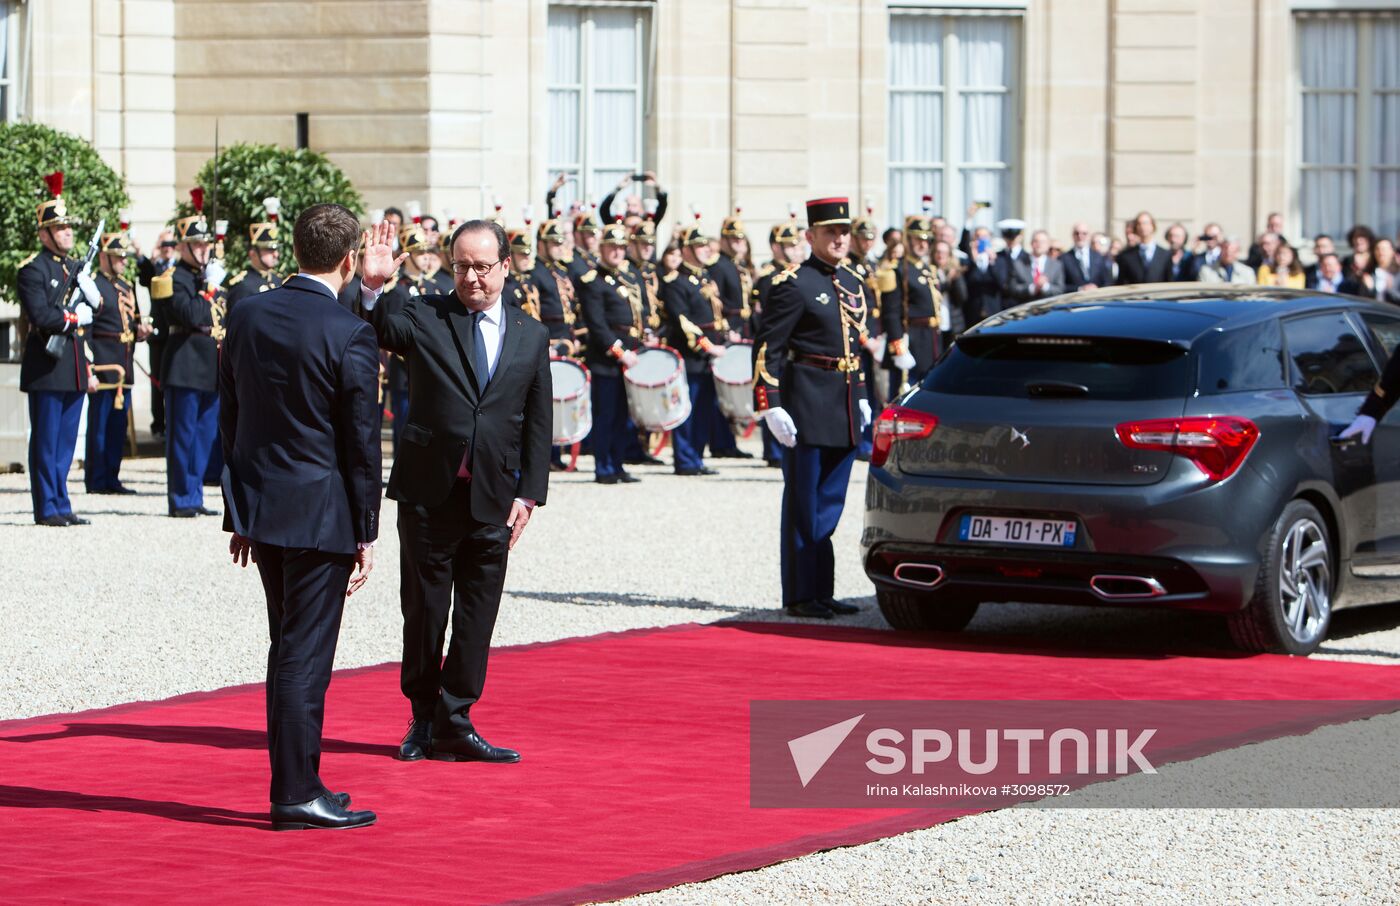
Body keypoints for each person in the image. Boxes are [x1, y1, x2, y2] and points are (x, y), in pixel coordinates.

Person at [360, 218, 551, 765]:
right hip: (428, 492)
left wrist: (530, 494)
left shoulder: (529, 334)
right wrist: (373, 288)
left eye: (482, 267)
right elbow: (376, 329)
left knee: (477, 613)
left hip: (493, 494)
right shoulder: (425, 314)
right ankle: (422, 717)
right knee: (423, 611)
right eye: (461, 266)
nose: (470, 277)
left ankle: (457, 718)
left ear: (505, 267)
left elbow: (538, 421)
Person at [222, 202, 381, 832]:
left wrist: (239, 510)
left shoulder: (248, 313)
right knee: (303, 656)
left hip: (265, 509)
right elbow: (361, 439)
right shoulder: (348, 331)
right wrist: (367, 528)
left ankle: (304, 779)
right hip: (320, 514)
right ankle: (293, 792)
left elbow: (230, 415)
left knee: (287, 647)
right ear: (348, 259)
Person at [753, 197, 871, 619]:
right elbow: (768, 347)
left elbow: (854, 347)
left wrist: (859, 395)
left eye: (843, 232)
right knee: (805, 504)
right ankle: (802, 594)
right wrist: (770, 405)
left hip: (841, 403)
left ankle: (822, 589)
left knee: (830, 504)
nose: (838, 239)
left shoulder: (854, 282)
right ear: (810, 236)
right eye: (829, 232)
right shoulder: (794, 283)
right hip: (805, 404)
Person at [18, 172, 102, 526]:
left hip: (72, 366)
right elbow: (40, 313)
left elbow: (95, 310)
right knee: (47, 442)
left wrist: (90, 300)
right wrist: (73, 316)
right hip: (47, 365)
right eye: (59, 228)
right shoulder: (32, 270)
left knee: (67, 443)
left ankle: (62, 502)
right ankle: (47, 507)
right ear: (44, 234)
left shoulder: (74, 269)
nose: (67, 232)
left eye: (68, 227)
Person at [151, 188, 226, 518]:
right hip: (184, 361)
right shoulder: (171, 278)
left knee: (205, 435)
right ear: (182, 246)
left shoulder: (201, 276)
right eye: (196, 244)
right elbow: (190, 315)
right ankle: (181, 497)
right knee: (182, 436)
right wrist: (209, 288)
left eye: (205, 244)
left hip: (210, 364)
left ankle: (194, 495)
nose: (202, 250)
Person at [579, 222, 648, 484]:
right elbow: (597, 325)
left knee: (622, 416)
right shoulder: (592, 281)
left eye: (621, 247)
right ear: (602, 248)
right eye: (612, 248)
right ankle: (604, 467)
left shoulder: (627, 277)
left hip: (629, 355)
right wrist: (620, 352)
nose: (617, 253)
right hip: (607, 360)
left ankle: (617, 464)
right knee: (606, 415)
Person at [86, 230, 150, 495]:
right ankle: (96, 479)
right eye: (118, 257)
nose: (124, 261)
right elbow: (88, 328)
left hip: (124, 363)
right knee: (99, 426)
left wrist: (140, 330)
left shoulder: (126, 285)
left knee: (117, 427)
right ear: (104, 257)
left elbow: (130, 321)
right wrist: (89, 362)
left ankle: (112, 476)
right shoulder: (94, 285)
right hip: (104, 362)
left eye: (124, 256)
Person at [660, 223, 727, 477]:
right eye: (699, 246)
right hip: (691, 353)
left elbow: (716, 311)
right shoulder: (676, 281)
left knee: (704, 409)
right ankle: (686, 459)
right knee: (688, 408)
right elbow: (683, 320)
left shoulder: (704, 277)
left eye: (706, 246)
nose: (705, 250)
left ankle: (696, 457)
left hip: (710, 353)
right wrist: (708, 346)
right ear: (686, 250)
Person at [879, 215, 941, 398]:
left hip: (930, 340)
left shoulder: (928, 269)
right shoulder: (897, 270)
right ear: (908, 240)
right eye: (918, 239)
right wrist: (898, 348)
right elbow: (891, 313)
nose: (923, 244)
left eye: (926, 240)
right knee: (903, 396)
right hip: (910, 339)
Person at [137, 227, 179, 436]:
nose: (168, 249)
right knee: (158, 381)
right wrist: (150, 257)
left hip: (177, 333)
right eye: (164, 245)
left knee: (176, 381)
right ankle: (158, 424)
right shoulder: (155, 267)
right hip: (159, 333)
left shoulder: (179, 268)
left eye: (172, 245)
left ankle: (173, 424)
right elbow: (145, 278)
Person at [225, 198, 284, 310]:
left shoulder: (278, 280)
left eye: (275, 250)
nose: (275, 254)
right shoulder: (243, 286)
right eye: (269, 250)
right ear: (253, 253)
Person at [1007, 229, 1066, 302]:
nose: (1039, 244)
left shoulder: (1056, 265)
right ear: (1031, 243)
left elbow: (1060, 290)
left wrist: (1045, 286)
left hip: (1048, 308)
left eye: (1042, 242)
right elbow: (1012, 288)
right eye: (1036, 241)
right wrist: (1033, 288)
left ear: (1048, 245)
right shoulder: (1019, 263)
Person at [1115, 211, 1172, 284]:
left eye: (1145, 223)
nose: (1142, 227)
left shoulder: (1165, 255)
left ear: (1153, 226)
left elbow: (1169, 281)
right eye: (1139, 224)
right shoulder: (1126, 256)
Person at [1062, 222, 1112, 290]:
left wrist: (1097, 289)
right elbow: (1061, 286)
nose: (1080, 236)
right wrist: (1080, 288)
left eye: (1084, 233)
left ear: (1089, 236)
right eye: (1077, 233)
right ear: (1073, 236)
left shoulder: (1098, 257)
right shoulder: (1064, 258)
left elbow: (1107, 281)